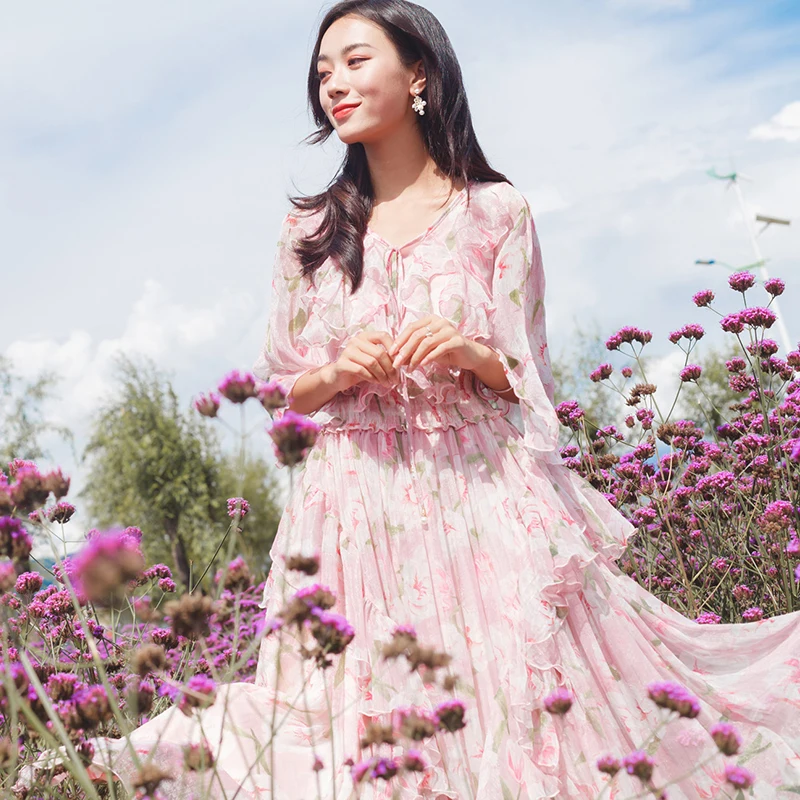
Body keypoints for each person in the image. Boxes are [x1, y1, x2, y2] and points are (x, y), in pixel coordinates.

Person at [93, 1, 800, 797]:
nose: (334, 85)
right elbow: (281, 387)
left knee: (518, 706)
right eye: (323, 72)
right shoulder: (311, 232)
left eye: (356, 61)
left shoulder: (496, 211)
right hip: (352, 508)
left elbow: (533, 383)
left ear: (419, 72)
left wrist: (472, 353)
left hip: (480, 497)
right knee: (346, 720)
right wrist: (337, 372)